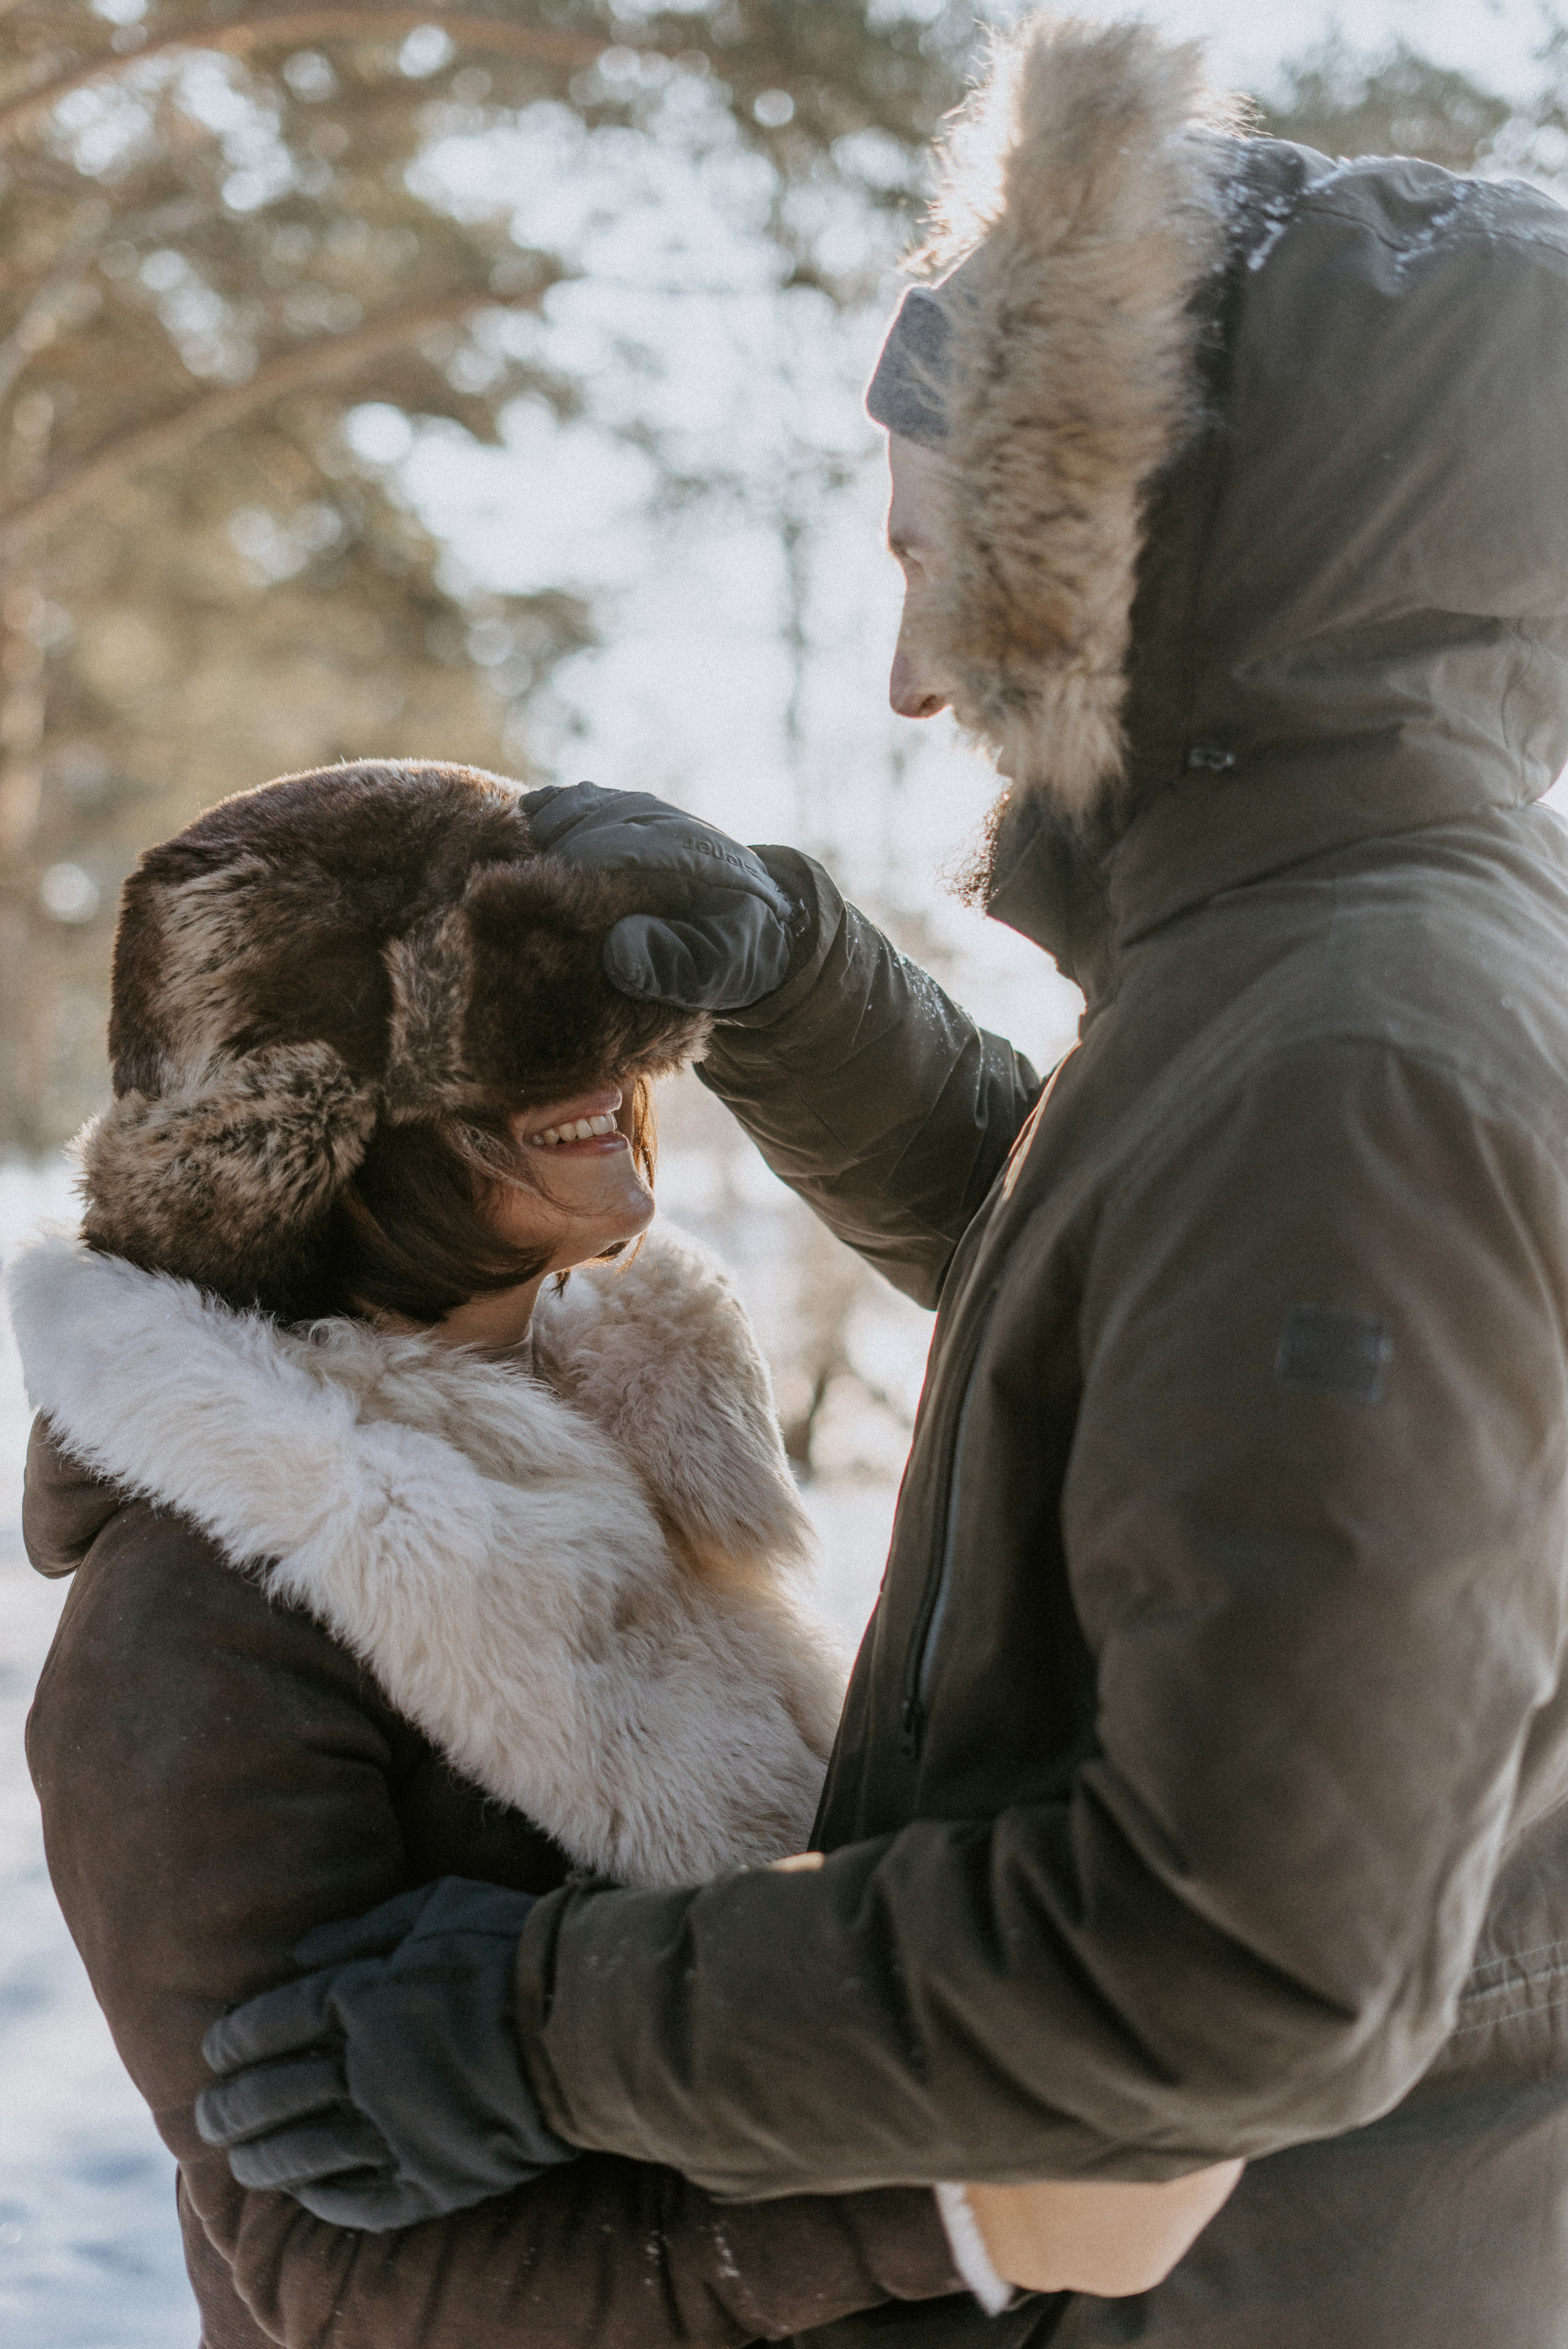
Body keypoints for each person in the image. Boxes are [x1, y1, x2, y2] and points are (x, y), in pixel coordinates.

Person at [193, 12, 1568, 2346]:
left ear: (1152, 564)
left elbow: (1234, 1973)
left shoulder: (1357, 1057)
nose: (919, 674)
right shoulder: (1339, 974)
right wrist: (800, 976)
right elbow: (1134, 1332)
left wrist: (549, 2027)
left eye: (949, 565)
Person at [9, 758, 989, 2347]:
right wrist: (959, 2206)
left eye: (612, 1013)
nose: (609, 1064)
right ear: (300, 1123)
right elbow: (344, 2271)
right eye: (503, 1026)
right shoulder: (188, 1625)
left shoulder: (631, 1441)